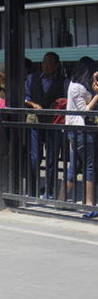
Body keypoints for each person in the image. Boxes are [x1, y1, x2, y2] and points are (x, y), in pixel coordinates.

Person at [24, 52, 68, 198]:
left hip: (53, 123)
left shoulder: (63, 81)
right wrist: (33, 104)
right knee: (35, 157)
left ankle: (49, 190)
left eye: (50, 63)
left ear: (56, 65)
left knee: (52, 158)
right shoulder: (32, 78)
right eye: (44, 63)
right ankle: (33, 188)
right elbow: (25, 96)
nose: (46, 66)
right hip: (35, 121)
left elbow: (67, 100)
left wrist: (59, 103)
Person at [64, 57, 98, 206]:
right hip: (80, 130)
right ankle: (89, 201)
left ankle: (61, 199)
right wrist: (97, 95)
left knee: (75, 165)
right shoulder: (77, 87)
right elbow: (84, 110)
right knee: (89, 165)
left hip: (76, 130)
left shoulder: (77, 85)